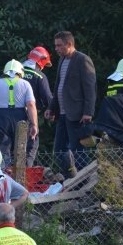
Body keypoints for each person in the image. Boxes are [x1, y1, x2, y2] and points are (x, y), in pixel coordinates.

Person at [46, 31, 97, 173]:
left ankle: (84, 179)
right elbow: (58, 86)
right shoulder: (62, 60)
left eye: (59, 45)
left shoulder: (82, 59)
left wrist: (88, 112)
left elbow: (90, 88)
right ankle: (69, 178)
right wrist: (52, 108)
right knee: (59, 150)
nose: (56, 49)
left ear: (69, 44)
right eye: (55, 45)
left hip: (77, 114)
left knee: (77, 151)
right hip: (62, 114)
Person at [0, 60, 39, 168]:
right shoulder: (25, 84)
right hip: (20, 116)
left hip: (0, 117)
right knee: (23, 146)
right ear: (20, 72)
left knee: (3, 150)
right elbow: (30, 105)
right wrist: (34, 125)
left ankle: (4, 175)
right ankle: (24, 171)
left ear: (5, 72)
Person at [22, 46, 54, 166]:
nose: (43, 68)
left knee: (9, 149)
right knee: (31, 145)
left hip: (5, 116)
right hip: (29, 116)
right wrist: (52, 109)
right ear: (40, 62)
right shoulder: (39, 76)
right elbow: (47, 99)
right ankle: (23, 176)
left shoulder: (12, 72)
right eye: (43, 66)